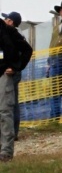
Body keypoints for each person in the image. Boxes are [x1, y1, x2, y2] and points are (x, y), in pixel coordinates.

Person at [0, 15, 33, 163]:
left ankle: (6, 152)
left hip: (4, 76)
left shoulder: (8, 31)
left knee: (5, 111)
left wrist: (15, 67)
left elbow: (27, 50)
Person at [2, 12, 26, 139]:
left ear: (10, 22)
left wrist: (14, 68)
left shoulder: (14, 36)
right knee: (11, 102)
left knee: (10, 103)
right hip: (12, 71)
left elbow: (21, 55)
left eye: (6, 19)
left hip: (11, 73)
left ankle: (12, 133)